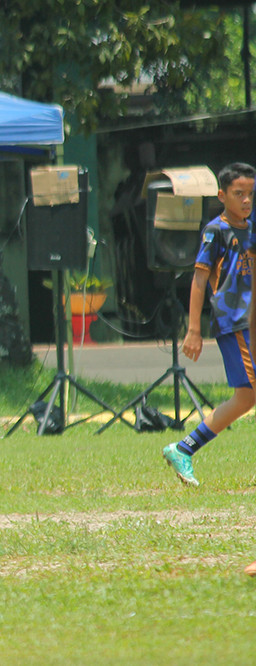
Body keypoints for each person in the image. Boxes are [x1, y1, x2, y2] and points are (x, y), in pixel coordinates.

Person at [162, 162, 256, 486]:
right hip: (234, 322)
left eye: (250, 194)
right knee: (249, 394)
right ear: (221, 195)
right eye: (238, 194)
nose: (246, 200)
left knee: (245, 399)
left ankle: (183, 449)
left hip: (251, 322)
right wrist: (193, 330)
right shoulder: (215, 231)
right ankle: (183, 448)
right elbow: (199, 280)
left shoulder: (251, 229)